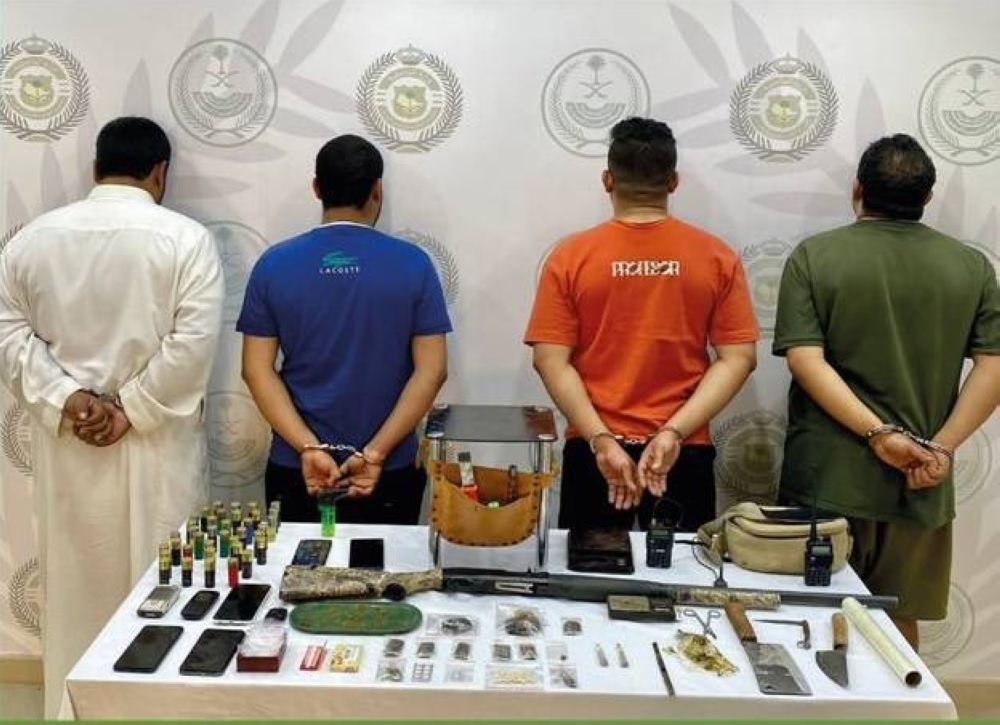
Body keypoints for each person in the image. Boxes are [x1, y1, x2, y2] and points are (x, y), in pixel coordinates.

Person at [0, 116, 223, 715]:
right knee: (165, 589)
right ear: (160, 173)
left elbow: (8, 335)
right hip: (158, 447)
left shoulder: (32, 241)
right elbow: (193, 344)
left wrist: (68, 399)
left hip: (70, 446)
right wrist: (128, 409)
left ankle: (73, 711)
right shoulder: (186, 240)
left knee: (77, 589)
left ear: (96, 169)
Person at [773, 133, 1000, 649]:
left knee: (808, 621)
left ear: (857, 189)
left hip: (826, 477)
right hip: (919, 480)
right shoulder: (970, 267)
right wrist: (941, 448)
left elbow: (806, 361)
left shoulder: (815, 256)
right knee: (898, 626)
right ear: (927, 197)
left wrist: (879, 435)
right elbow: (993, 367)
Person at [524, 117, 759, 533]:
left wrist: (601, 439)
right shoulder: (715, 256)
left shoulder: (571, 257)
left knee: (587, 573)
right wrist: (673, 433)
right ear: (673, 182)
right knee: (681, 573)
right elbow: (738, 358)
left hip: (596, 451)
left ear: (608, 180)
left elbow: (549, 360)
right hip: (681, 450)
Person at [238, 134, 450, 524]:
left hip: (298, 466)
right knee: (385, 566)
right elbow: (432, 371)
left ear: (317, 188)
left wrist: (308, 448)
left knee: (298, 563)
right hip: (387, 467)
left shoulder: (274, 264)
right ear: (377, 190)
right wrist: (376, 453)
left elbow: (256, 370)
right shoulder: (413, 264)